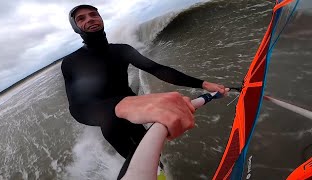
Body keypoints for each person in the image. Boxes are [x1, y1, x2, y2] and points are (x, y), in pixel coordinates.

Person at [61, 4, 226, 179]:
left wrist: (204, 84)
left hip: (134, 116)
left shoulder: (121, 50)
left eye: (93, 14)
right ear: (76, 28)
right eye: (81, 18)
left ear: (101, 18)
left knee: (155, 159)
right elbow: (77, 109)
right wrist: (118, 106)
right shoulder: (72, 62)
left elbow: (157, 69)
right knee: (135, 162)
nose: (90, 19)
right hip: (111, 125)